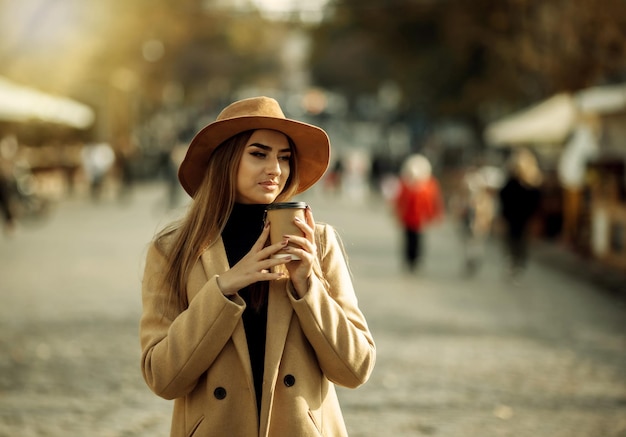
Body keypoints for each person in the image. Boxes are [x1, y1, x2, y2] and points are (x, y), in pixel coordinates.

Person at [139, 96, 376, 437]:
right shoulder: (173, 250)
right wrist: (223, 288)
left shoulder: (317, 243)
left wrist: (308, 287)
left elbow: (356, 369)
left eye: (284, 157)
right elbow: (162, 377)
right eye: (259, 153)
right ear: (226, 159)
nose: (275, 169)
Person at [393, 153, 444, 272]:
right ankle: (408, 259)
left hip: (420, 218)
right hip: (407, 218)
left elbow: (433, 201)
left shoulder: (429, 185)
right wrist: (397, 213)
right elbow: (399, 200)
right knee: (408, 239)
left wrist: (434, 215)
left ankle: (417, 259)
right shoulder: (405, 184)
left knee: (418, 239)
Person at [498, 148, 543, 279]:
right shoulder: (512, 182)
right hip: (512, 217)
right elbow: (504, 196)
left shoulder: (532, 183)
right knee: (512, 240)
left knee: (521, 242)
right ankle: (513, 262)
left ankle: (518, 264)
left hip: (524, 218)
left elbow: (536, 200)